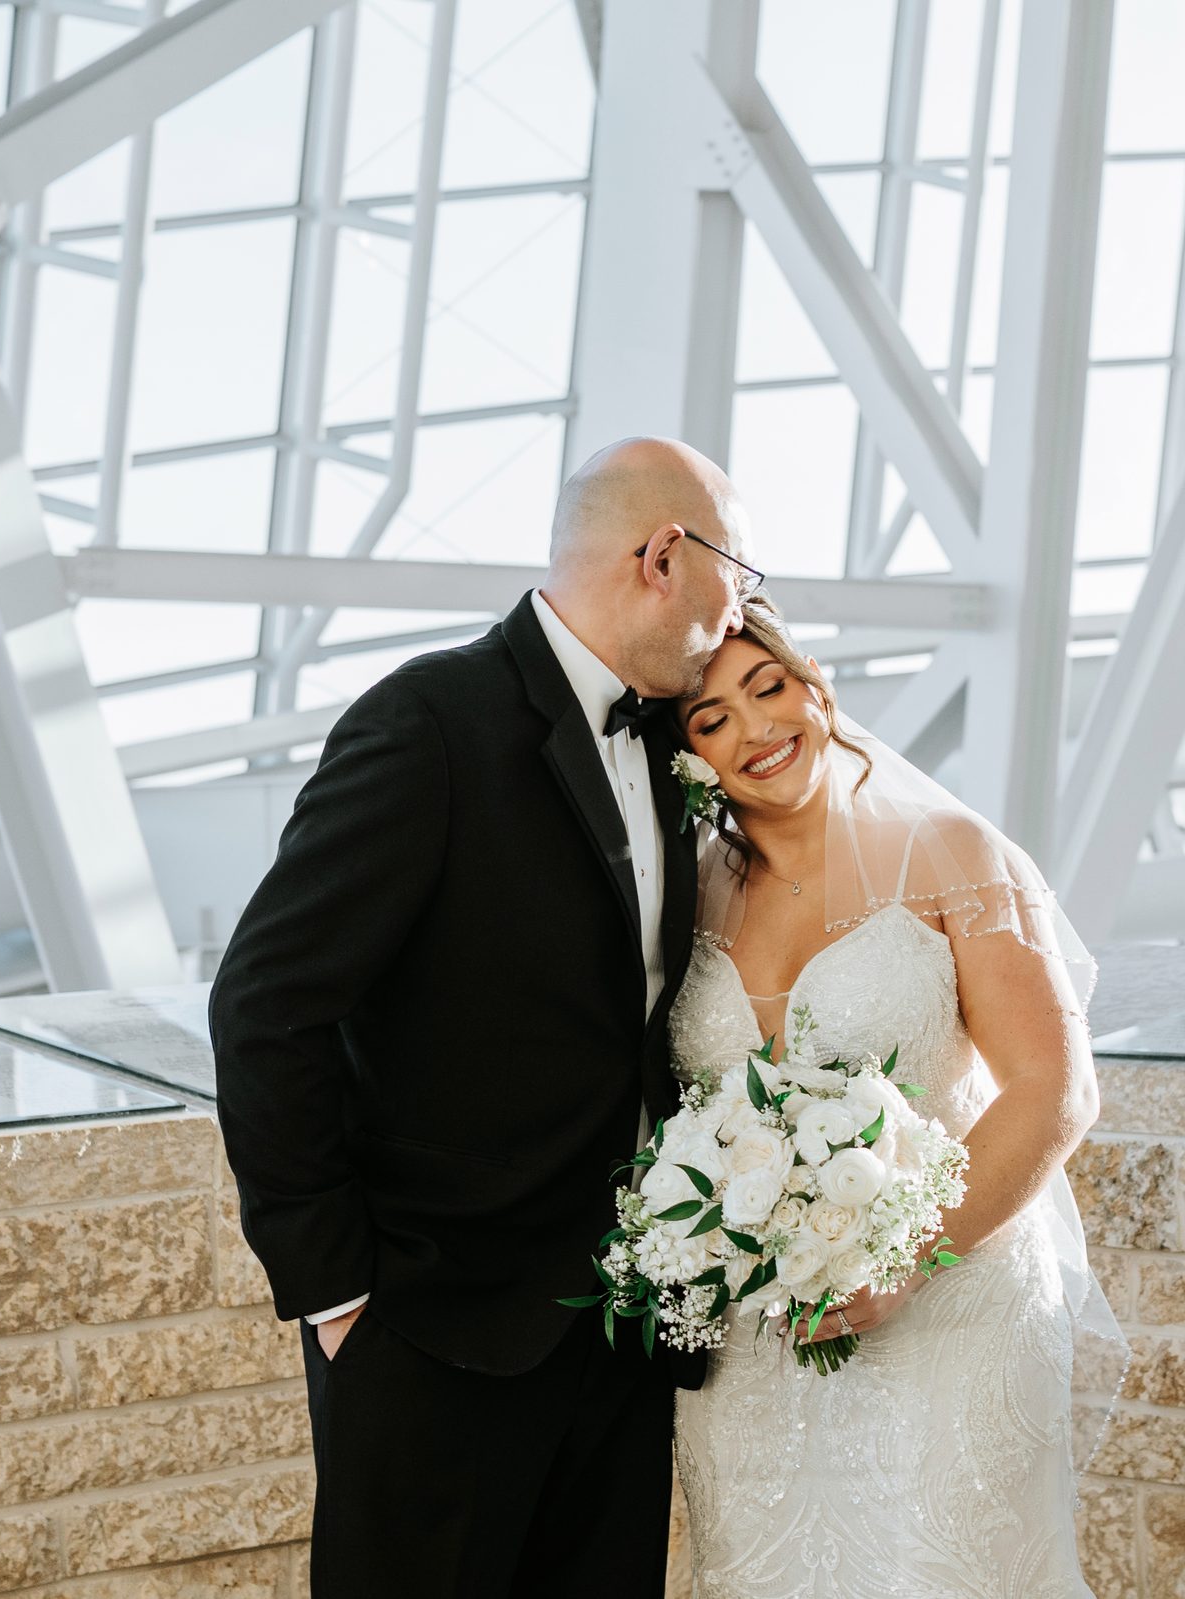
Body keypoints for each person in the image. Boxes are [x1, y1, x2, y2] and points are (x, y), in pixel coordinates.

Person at [209, 437, 756, 1596]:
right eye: (740, 569)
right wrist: (339, 1292)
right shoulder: (429, 723)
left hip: (620, 1338)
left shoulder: (674, 744)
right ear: (664, 556)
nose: (744, 602)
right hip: (433, 1335)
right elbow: (266, 1004)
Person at [667, 595, 1127, 1597]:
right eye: (713, 720)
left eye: (769, 686)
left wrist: (903, 1260)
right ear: (688, 756)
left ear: (815, 686)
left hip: (951, 1319)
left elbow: (1055, 1088)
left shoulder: (949, 853)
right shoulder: (681, 894)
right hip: (752, 1349)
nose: (757, 730)